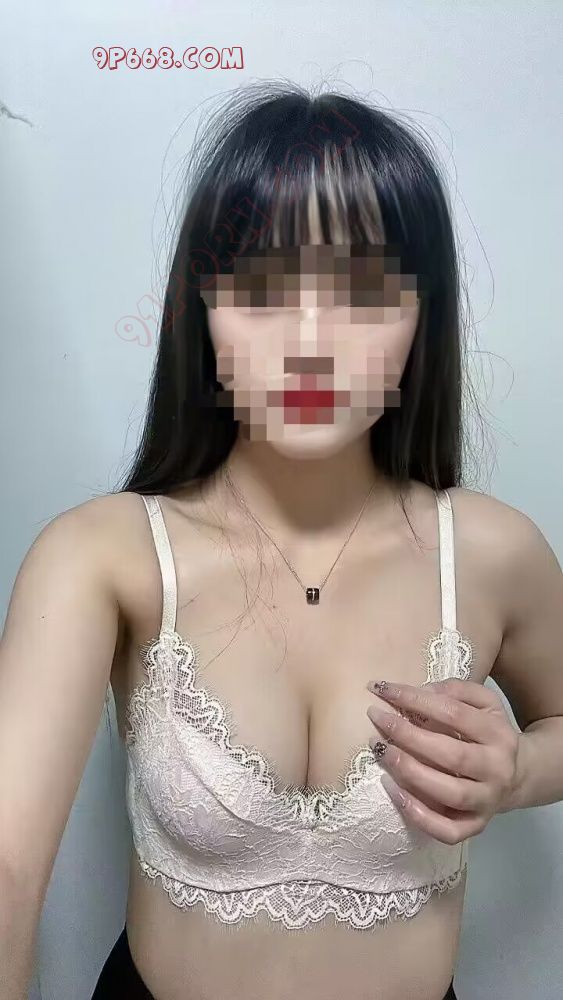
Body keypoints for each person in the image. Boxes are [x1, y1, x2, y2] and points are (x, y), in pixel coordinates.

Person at [2, 81, 562, 1000]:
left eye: (365, 293)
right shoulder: (102, 558)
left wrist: (521, 769)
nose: (309, 343)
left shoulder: (495, 555)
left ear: (423, 319)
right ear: (202, 315)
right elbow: (7, 864)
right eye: (260, 290)